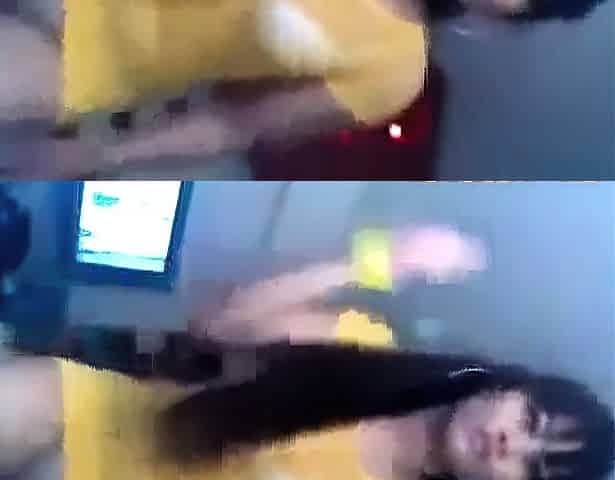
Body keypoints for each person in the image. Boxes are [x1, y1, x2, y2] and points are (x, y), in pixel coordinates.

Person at [0, 225, 612, 480]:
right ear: (507, 386)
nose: (508, 444)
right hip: (103, 420)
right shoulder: (367, 348)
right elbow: (219, 324)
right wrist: (377, 261)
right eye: (530, 420)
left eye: (532, 468)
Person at [0, 0, 608, 177]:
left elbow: (235, 124)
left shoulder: (393, 72)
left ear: (511, 15)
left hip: (82, 52)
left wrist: (95, 153)